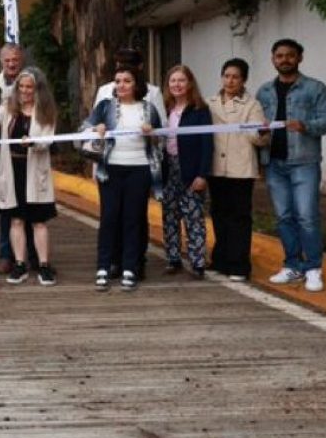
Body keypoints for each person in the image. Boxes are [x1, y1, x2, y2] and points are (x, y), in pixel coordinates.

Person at [256, 38, 326, 292]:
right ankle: (292, 265)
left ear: (300, 58)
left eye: (290, 55)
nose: (285, 60)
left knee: (307, 216)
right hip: (273, 163)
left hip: (304, 162)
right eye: (279, 56)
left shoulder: (315, 88)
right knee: (284, 217)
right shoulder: (264, 91)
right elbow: (257, 123)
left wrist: (307, 126)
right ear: (273, 59)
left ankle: (312, 268)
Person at [0, 67, 59, 286]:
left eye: (30, 87)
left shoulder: (46, 110)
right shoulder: (8, 107)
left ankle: (44, 265)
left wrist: (34, 142)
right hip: (12, 170)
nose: (25, 91)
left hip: (35, 172)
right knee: (16, 220)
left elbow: (48, 139)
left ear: (38, 89)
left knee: (38, 222)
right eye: (22, 87)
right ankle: (20, 264)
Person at [82, 66, 162, 292]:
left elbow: (161, 140)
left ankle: (130, 267)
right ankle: (103, 267)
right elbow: (84, 129)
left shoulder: (148, 108)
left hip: (140, 169)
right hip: (111, 169)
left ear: (136, 84)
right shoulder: (105, 106)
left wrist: (152, 133)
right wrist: (95, 129)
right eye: (117, 81)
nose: (121, 85)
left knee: (133, 219)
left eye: (126, 81)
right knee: (109, 218)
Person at [207, 58, 269, 282]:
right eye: (226, 76)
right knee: (219, 214)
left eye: (235, 77)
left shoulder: (252, 105)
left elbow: (258, 138)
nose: (230, 81)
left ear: (243, 80)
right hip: (216, 168)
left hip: (241, 168)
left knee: (239, 217)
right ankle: (220, 259)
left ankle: (239, 264)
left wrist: (262, 133)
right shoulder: (210, 102)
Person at [0, 42, 37, 274]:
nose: (12, 64)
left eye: (15, 59)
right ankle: (8, 255)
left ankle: (35, 257)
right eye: (7, 60)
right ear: (1, 61)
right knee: (7, 209)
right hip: (3, 158)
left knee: (34, 209)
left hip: (31, 158)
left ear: (21, 59)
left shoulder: (33, 84)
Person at [160, 65, 213, 279]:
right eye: (173, 81)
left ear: (190, 83)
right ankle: (173, 258)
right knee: (170, 215)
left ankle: (198, 262)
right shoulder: (164, 109)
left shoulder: (200, 110)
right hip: (168, 168)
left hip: (191, 169)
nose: (177, 85)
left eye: (181, 80)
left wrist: (202, 174)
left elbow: (207, 143)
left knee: (193, 217)